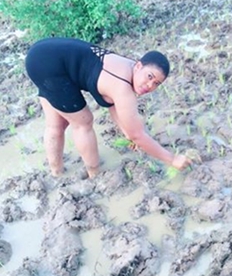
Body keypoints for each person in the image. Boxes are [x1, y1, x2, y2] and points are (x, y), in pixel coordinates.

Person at [25, 37, 192, 178]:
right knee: (83, 122)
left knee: (56, 124)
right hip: (50, 65)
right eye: (149, 77)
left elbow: (114, 107)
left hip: (43, 53)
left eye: (156, 83)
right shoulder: (123, 88)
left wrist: (127, 133)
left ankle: (57, 173)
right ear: (138, 66)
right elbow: (138, 135)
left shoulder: (127, 68)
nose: (149, 85)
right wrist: (172, 159)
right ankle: (95, 174)